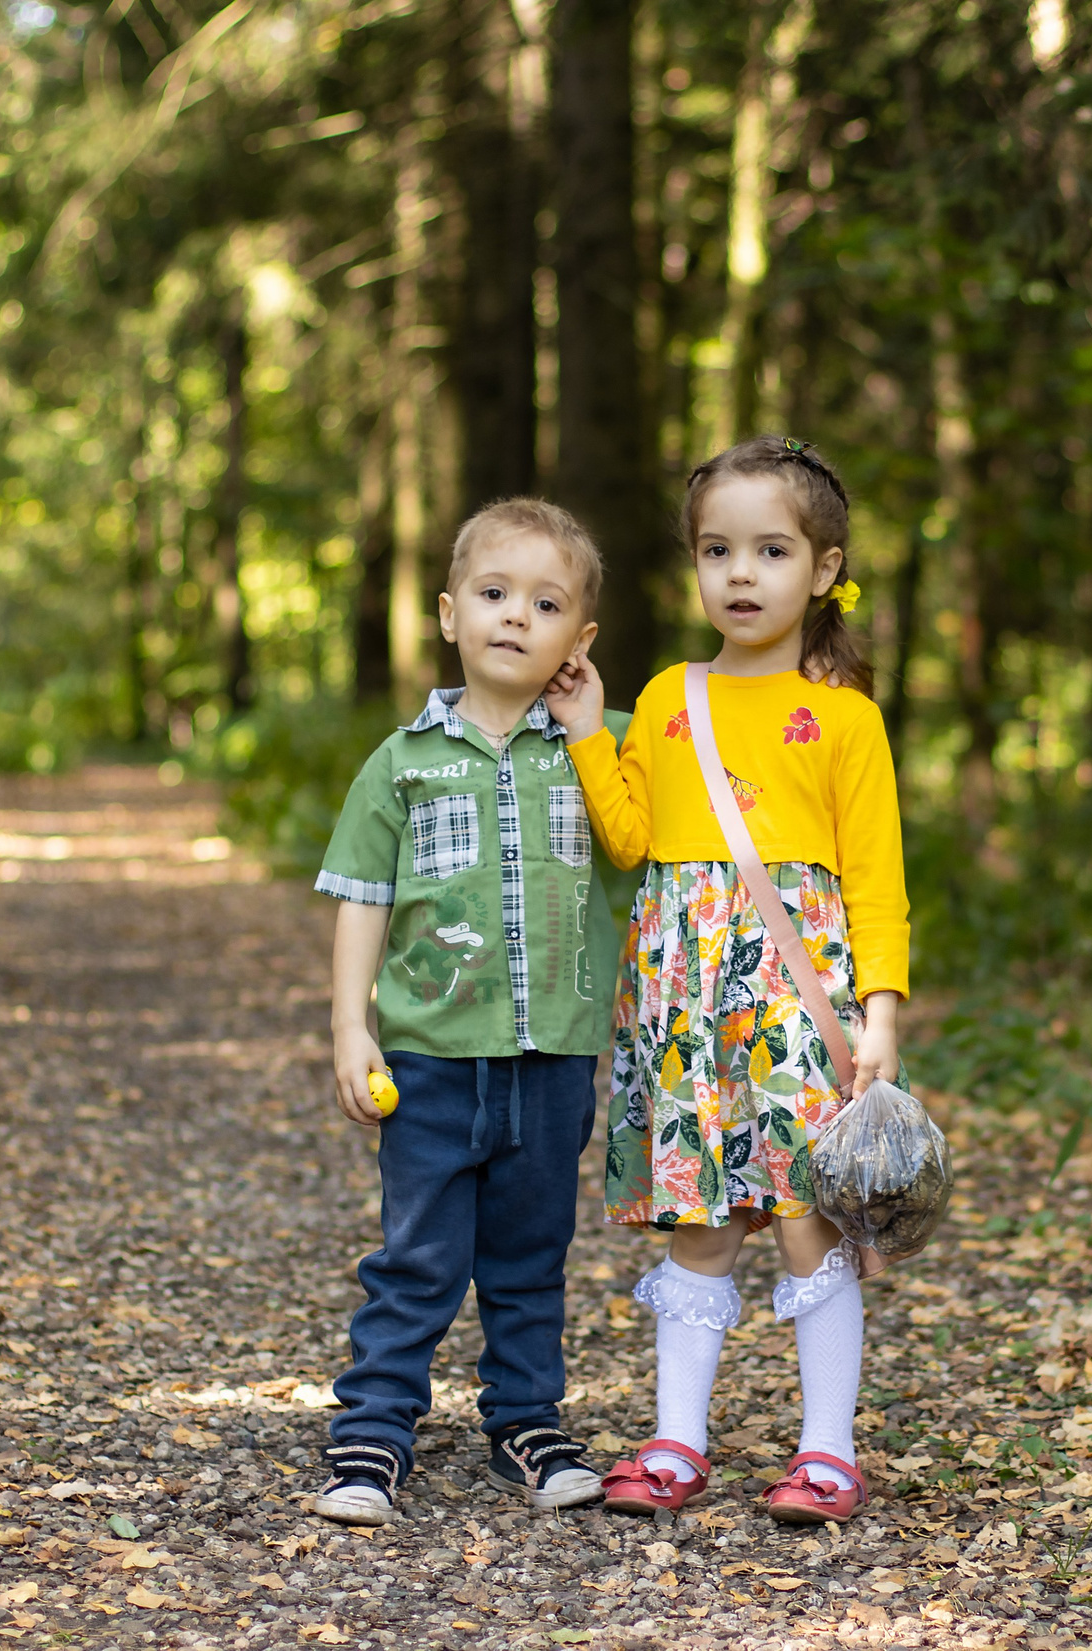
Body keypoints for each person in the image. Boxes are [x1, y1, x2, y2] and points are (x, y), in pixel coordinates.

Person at [545, 436, 907, 1527]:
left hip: (799, 1003)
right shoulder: (667, 695)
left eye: (770, 550)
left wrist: (879, 1015)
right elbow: (631, 842)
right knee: (695, 1219)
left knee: (807, 1216)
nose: (740, 574)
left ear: (824, 567)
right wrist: (581, 733)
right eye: (716, 550)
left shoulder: (842, 715)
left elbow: (877, 880)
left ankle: (826, 1450)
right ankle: (674, 1442)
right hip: (679, 996)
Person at [307, 498, 631, 1526]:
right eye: (493, 595)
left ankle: (526, 1423)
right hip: (432, 1056)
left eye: (543, 605)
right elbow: (362, 897)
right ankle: (371, 1433)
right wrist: (350, 1027)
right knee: (417, 1255)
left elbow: (650, 844)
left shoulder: (600, 750)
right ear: (449, 614)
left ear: (577, 642)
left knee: (531, 1256)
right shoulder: (401, 762)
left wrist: (591, 733)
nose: (512, 617)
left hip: (552, 1060)